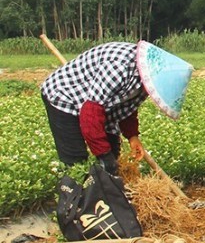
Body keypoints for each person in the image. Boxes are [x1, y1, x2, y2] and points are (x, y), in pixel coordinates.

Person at [40, 41, 193, 178]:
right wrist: (104, 155)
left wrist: (132, 136)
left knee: (113, 155)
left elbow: (126, 106)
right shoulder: (119, 66)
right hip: (64, 97)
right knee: (76, 161)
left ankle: (108, 197)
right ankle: (76, 202)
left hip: (97, 103)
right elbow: (90, 113)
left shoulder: (145, 78)